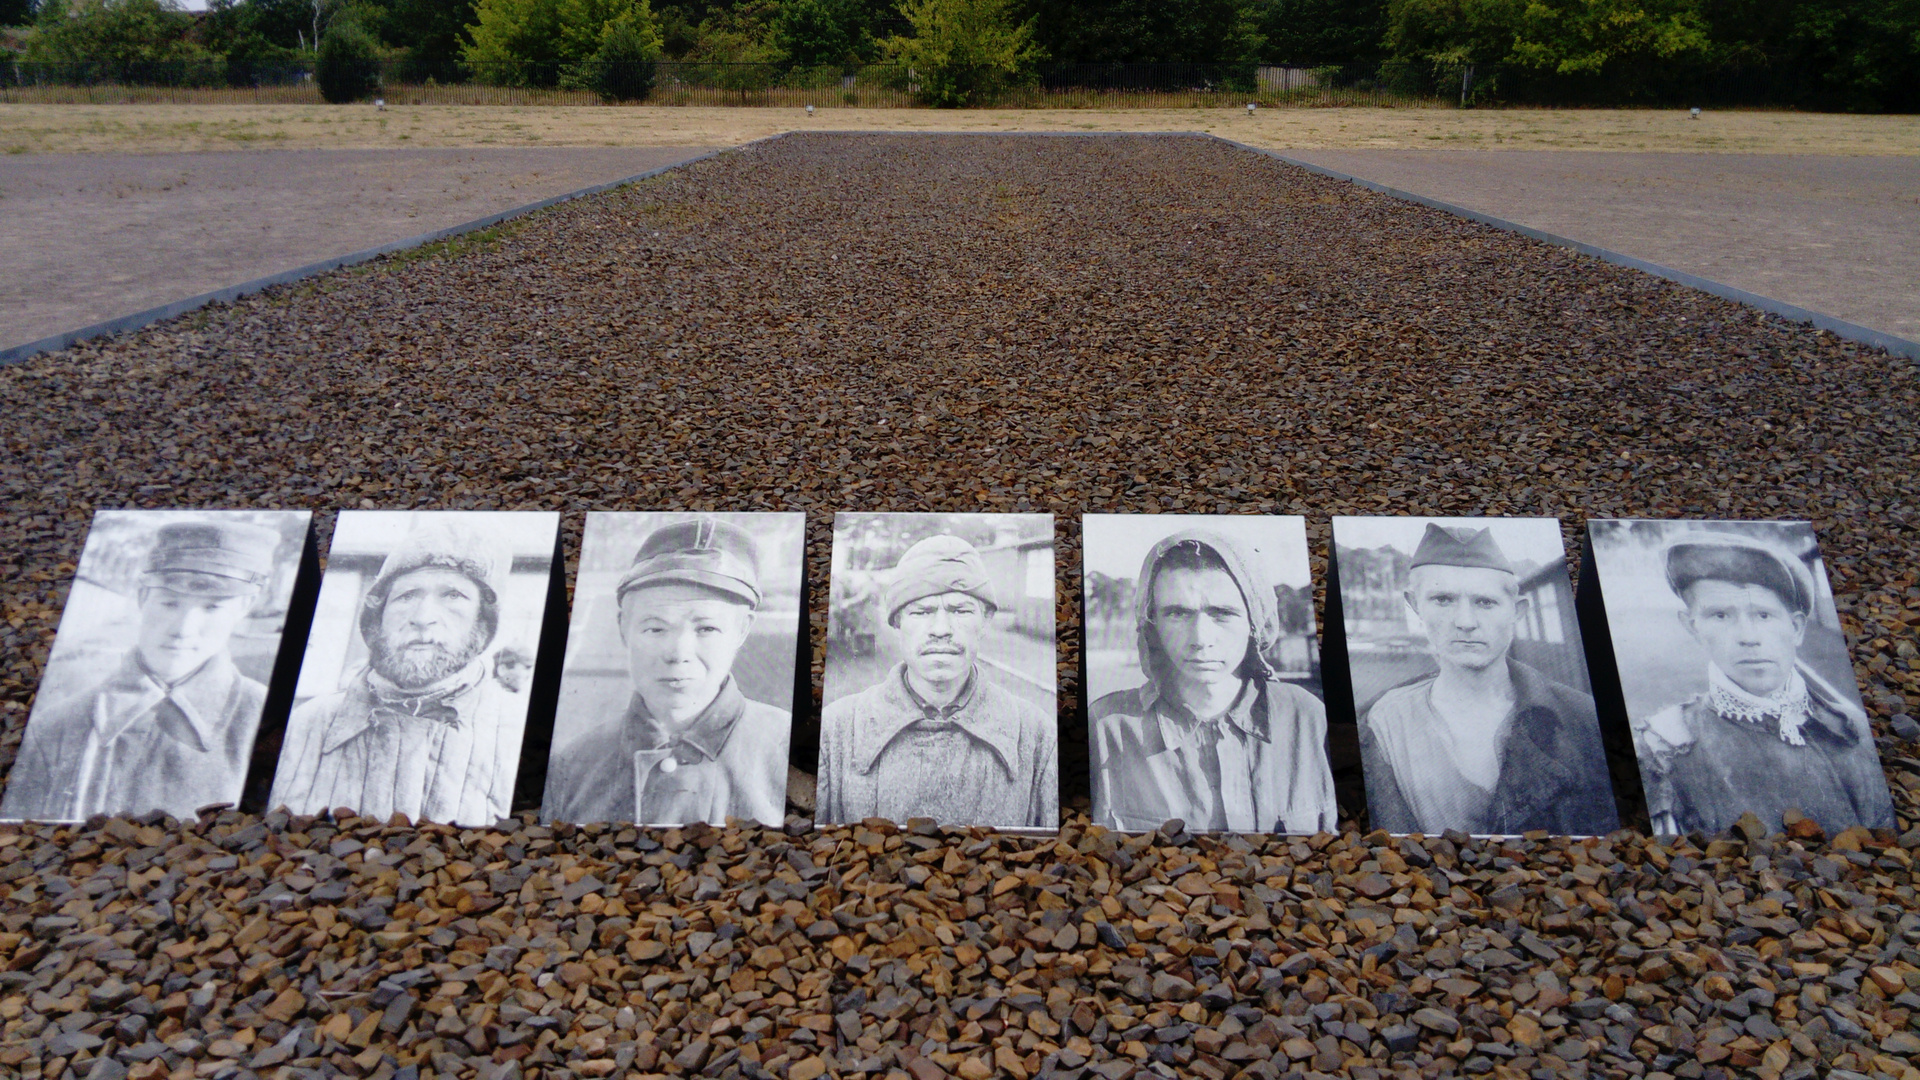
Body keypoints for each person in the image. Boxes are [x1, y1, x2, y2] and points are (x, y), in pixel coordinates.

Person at [3, 520, 282, 821]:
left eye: (211, 608)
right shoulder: (58, 726)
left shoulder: (271, 720)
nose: (183, 629)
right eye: (169, 603)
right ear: (142, 597)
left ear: (245, 607)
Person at [1358, 523, 1615, 835]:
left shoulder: (1580, 716)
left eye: (1485, 602)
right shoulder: (1386, 722)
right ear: (1415, 606)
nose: (1465, 622)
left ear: (1517, 612)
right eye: (1442, 600)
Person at [1636, 531, 1894, 835]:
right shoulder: (1663, 747)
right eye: (1720, 616)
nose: (1748, 637)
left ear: (1796, 628)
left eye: (1764, 615)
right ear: (1693, 628)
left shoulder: (1856, 725)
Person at [271, 520, 524, 826]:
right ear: (377, 615)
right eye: (406, 596)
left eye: (453, 596)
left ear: (483, 620)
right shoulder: (311, 722)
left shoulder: (516, 729)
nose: (423, 618)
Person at [542, 517, 789, 826]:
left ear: (742, 630)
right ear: (623, 628)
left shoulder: (793, 753)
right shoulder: (571, 768)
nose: (678, 653)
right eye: (655, 628)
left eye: (707, 628)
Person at [1090, 530, 1336, 834]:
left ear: (1254, 622)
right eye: (1177, 614)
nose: (1200, 639)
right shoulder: (1107, 727)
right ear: (1151, 624)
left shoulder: (1307, 716)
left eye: (1222, 614)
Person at [819, 533, 1056, 829]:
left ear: (985, 620)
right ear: (897, 622)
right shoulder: (836, 730)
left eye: (960, 610)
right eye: (922, 611)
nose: (941, 629)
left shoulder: (1037, 735)